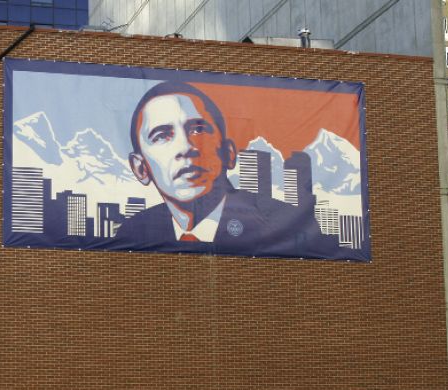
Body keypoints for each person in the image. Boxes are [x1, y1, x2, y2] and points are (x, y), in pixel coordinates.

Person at [115, 80, 337, 258]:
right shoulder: (133, 233)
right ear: (141, 168)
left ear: (228, 153)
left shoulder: (282, 224)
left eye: (198, 129)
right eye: (162, 135)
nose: (186, 148)